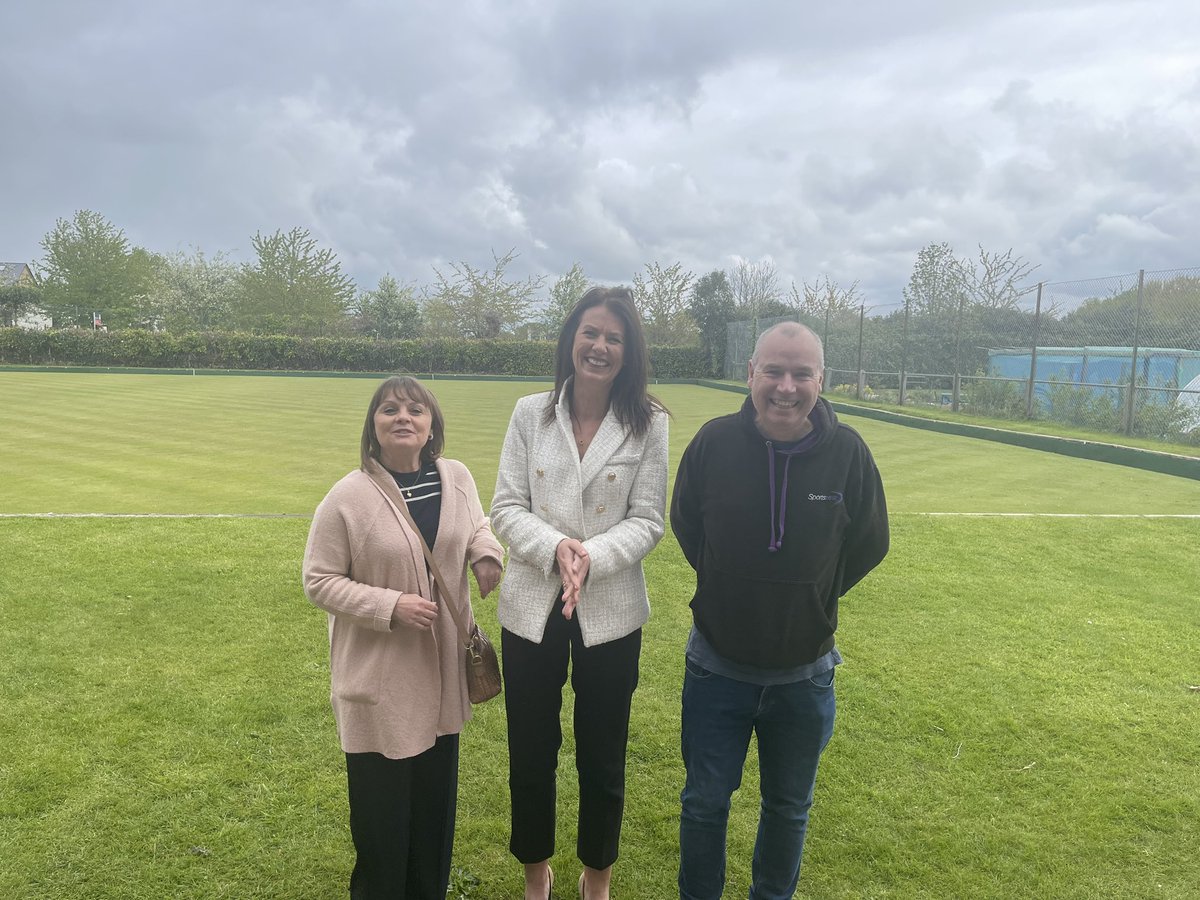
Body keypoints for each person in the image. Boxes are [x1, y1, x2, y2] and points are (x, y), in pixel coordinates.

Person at [670, 322, 889, 900]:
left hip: (804, 675)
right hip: (716, 668)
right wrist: (727, 583)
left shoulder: (848, 453)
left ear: (822, 380)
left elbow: (871, 542)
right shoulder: (713, 443)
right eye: (774, 371)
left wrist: (813, 593)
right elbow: (688, 523)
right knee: (703, 805)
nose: (786, 387)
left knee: (789, 809)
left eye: (801, 374)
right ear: (750, 374)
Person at [491, 286, 670, 900]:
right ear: (571, 340)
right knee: (531, 750)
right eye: (590, 333)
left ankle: (597, 880)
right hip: (531, 606)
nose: (599, 346)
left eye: (613, 338)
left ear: (628, 352)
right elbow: (506, 508)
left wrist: (589, 556)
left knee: (603, 755)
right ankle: (536, 876)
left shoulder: (650, 421)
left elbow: (648, 519)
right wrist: (556, 549)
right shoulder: (528, 413)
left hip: (611, 613)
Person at [303, 375, 504, 900]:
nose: (403, 417)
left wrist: (486, 552)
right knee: (382, 819)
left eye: (415, 409)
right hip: (382, 679)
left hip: (441, 674)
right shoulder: (347, 497)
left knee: (434, 816)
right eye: (389, 409)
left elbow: (476, 523)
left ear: (431, 424)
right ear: (373, 427)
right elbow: (319, 580)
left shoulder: (455, 476)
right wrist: (388, 606)